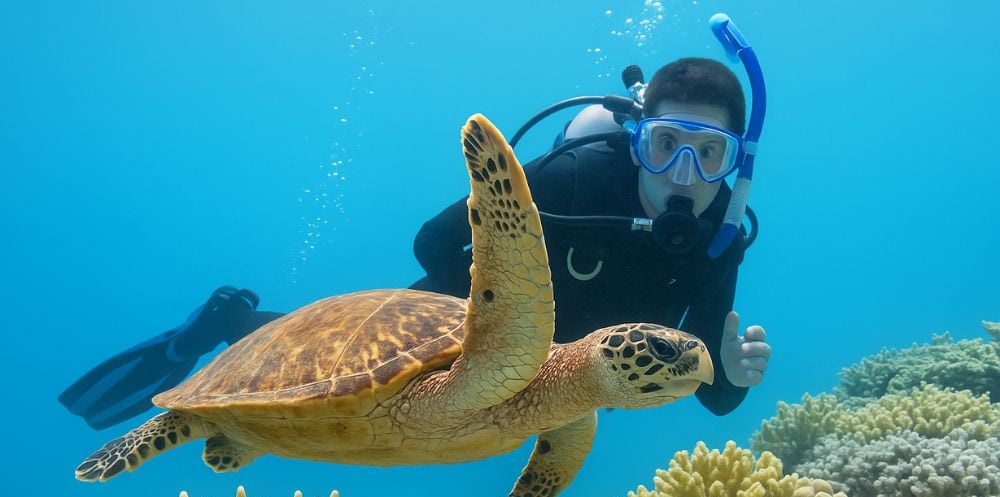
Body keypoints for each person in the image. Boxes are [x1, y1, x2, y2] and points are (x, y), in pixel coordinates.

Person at [60, 56, 771, 430]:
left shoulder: (718, 243)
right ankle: (225, 324)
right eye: (667, 144)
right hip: (452, 332)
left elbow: (709, 394)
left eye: (708, 155)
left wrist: (734, 377)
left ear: (733, 163)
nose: (684, 173)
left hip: (545, 391)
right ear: (638, 142)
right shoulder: (572, 181)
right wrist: (505, 288)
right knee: (307, 376)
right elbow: (431, 241)